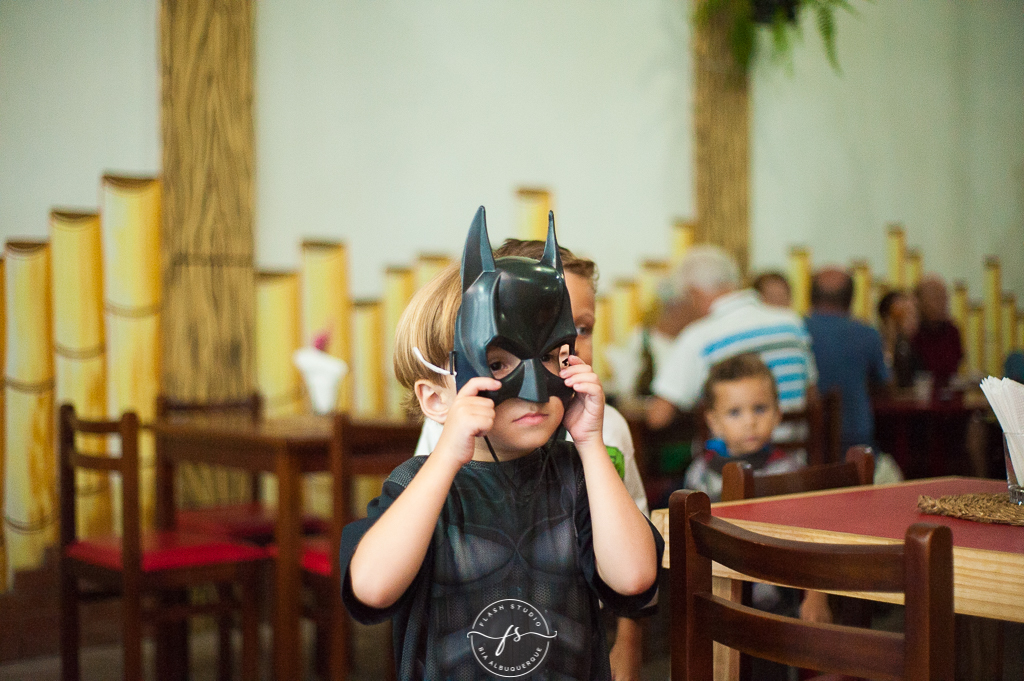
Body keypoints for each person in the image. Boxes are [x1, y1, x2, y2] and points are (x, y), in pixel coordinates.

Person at [341, 209, 662, 681]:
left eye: (555, 356)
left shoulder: (577, 477)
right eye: (496, 363)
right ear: (435, 398)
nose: (535, 387)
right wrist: (448, 457)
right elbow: (371, 589)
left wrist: (591, 444)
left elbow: (635, 578)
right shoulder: (416, 485)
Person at [647, 246, 816, 430]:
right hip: (794, 456)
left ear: (693, 293)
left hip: (730, 457)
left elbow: (658, 417)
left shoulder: (700, 337)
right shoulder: (792, 323)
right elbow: (811, 396)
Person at [683, 353, 803, 502]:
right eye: (734, 412)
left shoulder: (787, 470)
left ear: (777, 414)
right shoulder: (700, 473)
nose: (750, 422)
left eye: (759, 409)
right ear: (714, 422)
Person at [804, 267, 890, 452]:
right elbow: (884, 384)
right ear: (851, 298)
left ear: (810, 296)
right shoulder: (868, 334)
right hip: (857, 439)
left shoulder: (797, 330)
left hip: (808, 440)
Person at [913, 275, 963, 390]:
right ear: (919, 302)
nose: (942, 303)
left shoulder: (952, 331)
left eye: (944, 297)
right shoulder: (912, 333)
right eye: (935, 298)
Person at [877, 290, 921, 389]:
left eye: (915, 314)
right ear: (887, 318)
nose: (913, 320)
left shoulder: (918, 344)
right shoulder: (876, 344)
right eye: (906, 313)